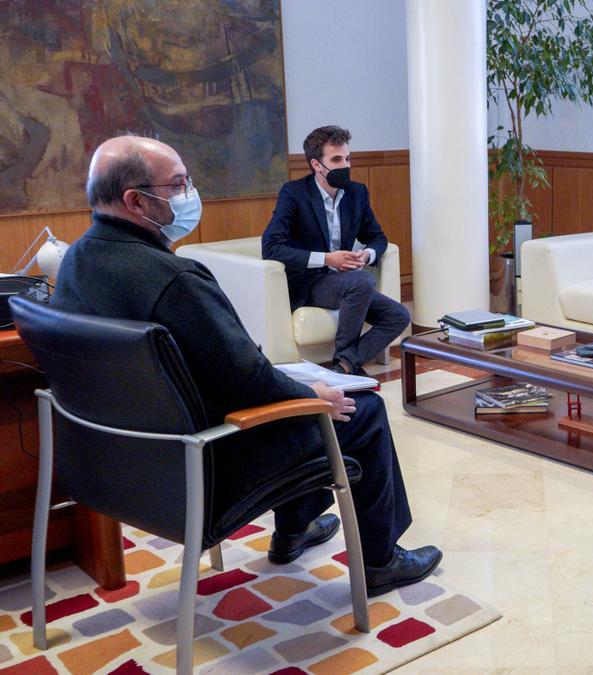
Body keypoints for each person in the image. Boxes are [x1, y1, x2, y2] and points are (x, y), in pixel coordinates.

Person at [52, 134, 441, 596]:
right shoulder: (174, 279)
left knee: (305, 403)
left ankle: (295, 528)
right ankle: (381, 560)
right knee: (361, 411)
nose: (190, 194)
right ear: (135, 201)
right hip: (209, 460)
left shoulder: (75, 260)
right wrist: (309, 395)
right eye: (178, 185)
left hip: (123, 464)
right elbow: (247, 377)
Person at [261, 125, 409, 375]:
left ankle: (344, 364)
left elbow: (376, 237)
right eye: (337, 159)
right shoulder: (294, 193)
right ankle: (345, 364)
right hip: (308, 282)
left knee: (399, 315)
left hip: (345, 281)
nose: (345, 166)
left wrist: (367, 254)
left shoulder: (357, 193)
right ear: (317, 165)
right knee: (361, 281)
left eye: (348, 158)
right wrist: (329, 259)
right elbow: (271, 248)